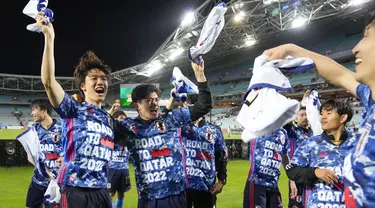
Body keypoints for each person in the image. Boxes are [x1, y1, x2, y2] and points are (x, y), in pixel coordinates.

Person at [263, 18, 375, 207]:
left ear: (344, 118)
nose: (355, 48)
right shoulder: (370, 99)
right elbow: (340, 74)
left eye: (367, 36)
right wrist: (292, 50)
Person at [37, 12, 115, 207]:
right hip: (75, 190)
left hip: (102, 191)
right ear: (83, 86)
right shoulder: (74, 109)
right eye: (94, 78)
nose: (100, 82)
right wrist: (49, 37)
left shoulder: (109, 119)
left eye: (104, 79)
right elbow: (48, 82)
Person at [113, 57, 212, 208]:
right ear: (137, 105)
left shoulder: (171, 120)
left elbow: (204, 105)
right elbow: (100, 129)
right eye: (148, 100)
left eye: (156, 99)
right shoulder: (127, 127)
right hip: (148, 200)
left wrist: (200, 75)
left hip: (176, 197)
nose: (154, 103)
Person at [286, 99, 356, 207]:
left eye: (328, 113)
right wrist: (315, 172)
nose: (322, 117)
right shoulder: (311, 143)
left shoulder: (358, 144)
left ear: (343, 118)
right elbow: (292, 170)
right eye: (322, 113)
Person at [165, 94, 227, 208]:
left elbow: (221, 156)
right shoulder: (177, 128)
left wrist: (221, 180)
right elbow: (161, 121)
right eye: (189, 107)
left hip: (207, 187)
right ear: (184, 106)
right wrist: (172, 98)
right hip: (181, 187)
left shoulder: (214, 130)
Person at [243, 128, 295, 208]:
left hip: (273, 185)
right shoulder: (258, 127)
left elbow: (284, 156)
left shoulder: (283, 132)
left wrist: (292, 179)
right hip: (256, 183)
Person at [26, 99, 63, 208]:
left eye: (34, 110)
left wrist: (64, 158)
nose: (32, 113)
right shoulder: (33, 130)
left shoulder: (62, 128)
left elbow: (70, 151)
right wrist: (44, 170)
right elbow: (30, 157)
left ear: (43, 111)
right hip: (39, 180)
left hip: (58, 182)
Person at [284, 91, 314, 208]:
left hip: (311, 175)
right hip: (296, 175)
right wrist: (302, 102)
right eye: (301, 115)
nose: (305, 117)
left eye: (307, 115)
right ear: (296, 117)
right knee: (295, 205)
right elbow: (285, 123)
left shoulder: (313, 133)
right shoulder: (293, 131)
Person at [108, 110, 131, 208]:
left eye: (124, 119)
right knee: (110, 195)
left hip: (124, 169)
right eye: (121, 118)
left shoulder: (128, 134)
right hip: (112, 168)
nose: (123, 121)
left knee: (122, 194)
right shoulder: (110, 134)